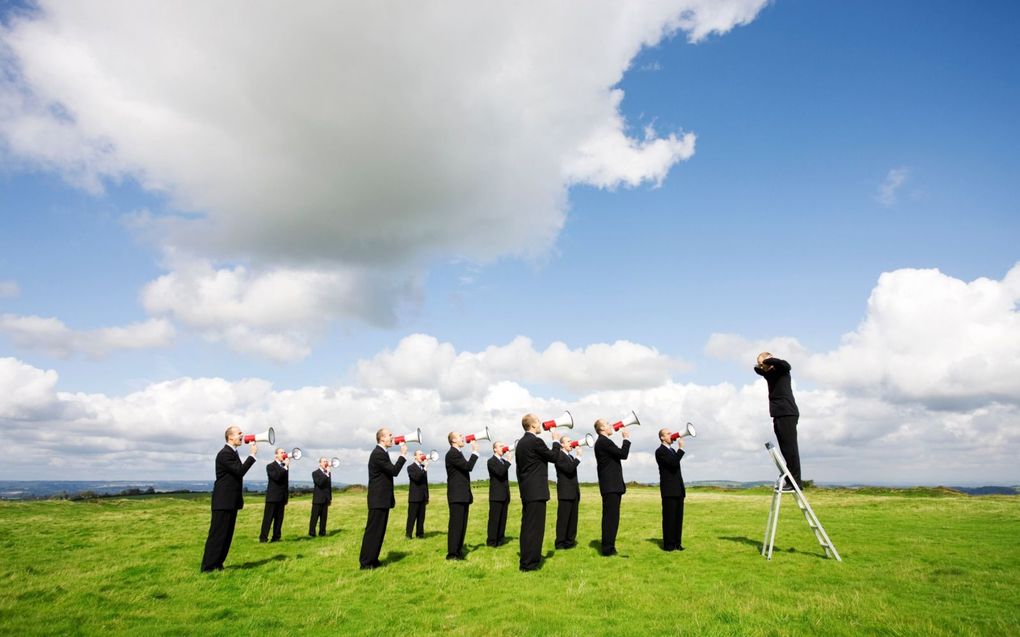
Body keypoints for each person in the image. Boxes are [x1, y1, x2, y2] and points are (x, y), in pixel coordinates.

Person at [201, 425, 257, 572]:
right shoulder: (225, 454)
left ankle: (218, 564)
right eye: (239, 433)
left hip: (230, 501)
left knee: (226, 535)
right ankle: (208, 567)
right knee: (218, 535)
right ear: (230, 437)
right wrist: (252, 456)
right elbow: (239, 471)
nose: (242, 435)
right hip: (223, 501)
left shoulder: (233, 453)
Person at [515, 413, 560, 571]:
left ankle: (527, 559)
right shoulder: (536, 441)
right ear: (533, 425)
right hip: (536, 492)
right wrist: (555, 440)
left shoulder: (520, 443)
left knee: (527, 527)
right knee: (535, 528)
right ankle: (530, 563)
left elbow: (519, 470)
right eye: (539, 422)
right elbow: (554, 457)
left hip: (527, 491)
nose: (541, 424)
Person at [358, 429, 408, 569]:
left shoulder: (382, 453)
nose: (392, 438)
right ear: (382, 438)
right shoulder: (378, 454)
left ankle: (373, 560)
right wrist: (402, 456)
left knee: (379, 532)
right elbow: (394, 471)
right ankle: (366, 562)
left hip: (382, 500)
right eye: (390, 436)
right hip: (378, 499)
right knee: (373, 531)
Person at [755, 352, 802, 489]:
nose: (762, 366)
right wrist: (762, 364)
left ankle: (795, 482)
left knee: (790, 449)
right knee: (785, 450)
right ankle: (791, 479)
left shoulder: (782, 370)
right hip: (778, 414)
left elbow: (786, 364)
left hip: (787, 412)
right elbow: (756, 369)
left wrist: (769, 360)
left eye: (763, 363)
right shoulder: (769, 374)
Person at [594, 418, 631, 556]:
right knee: (611, 518)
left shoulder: (603, 442)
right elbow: (623, 454)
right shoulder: (604, 442)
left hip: (611, 486)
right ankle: (608, 549)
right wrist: (626, 439)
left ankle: (609, 546)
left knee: (611, 518)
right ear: (602, 428)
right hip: (611, 487)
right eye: (608, 424)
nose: (611, 426)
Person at [445, 432, 479, 560]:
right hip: (457, 496)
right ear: (453, 440)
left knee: (462, 525)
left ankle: (458, 552)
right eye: (459, 436)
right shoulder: (452, 454)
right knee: (456, 525)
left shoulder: (457, 453)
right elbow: (468, 467)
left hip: (462, 495)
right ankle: (452, 554)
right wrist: (475, 452)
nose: (462, 437)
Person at [655, 428, 686, 551]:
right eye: (668, 434)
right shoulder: (660, 451)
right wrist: (681, 449)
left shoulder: (672, 450)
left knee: (678, 519)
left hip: (678, 490)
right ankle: (668, 545)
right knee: (669, 518)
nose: (671, 435)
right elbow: (673, 464)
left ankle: (677, 544)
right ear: (662, 438)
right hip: (669, 491)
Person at [554, 435, 581, 550]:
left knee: (573, 518)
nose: (571, 443)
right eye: (568, 441)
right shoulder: (559, 456)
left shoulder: (569, 456)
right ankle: (560, 543)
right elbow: (569, 469)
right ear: (562, 444)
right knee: (563, 519)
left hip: (573, 492)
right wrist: (578, 457)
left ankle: (570, 541)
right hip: (565, 492)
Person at [259, 448, 290, 543]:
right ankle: (263, 538)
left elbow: (285, 483)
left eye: (284, 452)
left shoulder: (285, 467)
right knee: (268, 518)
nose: (284, 454)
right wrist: (285, 467)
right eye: (282, 452)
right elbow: (276, 477)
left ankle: (276, 537)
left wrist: (286, 496)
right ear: (276, 455)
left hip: (281, 497)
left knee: (279, 518)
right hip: (272, 497)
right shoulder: (270, 466)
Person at [486, 442, 511, 547]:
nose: (503, 447)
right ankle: (492, 541)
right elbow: (500, 472)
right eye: (500, 446)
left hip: (505, 495)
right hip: (496, 496)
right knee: (494, 519)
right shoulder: (491, 461)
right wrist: (509, 461)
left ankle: (500, 539)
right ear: (495, 449)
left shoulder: (503, 461)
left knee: (502, 519)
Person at [405, 450, 430, 539]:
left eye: (422, 454)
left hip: (422, 497)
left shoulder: (423, 467)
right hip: (414, 497)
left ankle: (420, 534)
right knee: (412, 517)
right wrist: (425, 468)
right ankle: (408, 535)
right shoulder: (410, 467)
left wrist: (427, 497)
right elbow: (417, 478)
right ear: (415, 456)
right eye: (420, 454)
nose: (422, 455)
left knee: (421, 517)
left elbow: (425, 483)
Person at [309, 457, 332, 537]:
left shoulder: (328, 473)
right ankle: (312, 533)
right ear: (320, 463)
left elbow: (329, 486)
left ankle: (322, 532)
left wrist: (330, 498)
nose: (325, 463)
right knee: (314, 517)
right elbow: (320, 483)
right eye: (324, 461)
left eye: (326, 461)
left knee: (324, 518)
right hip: (318, 499)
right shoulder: (315, 473)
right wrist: (326, 474)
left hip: (325, 499)